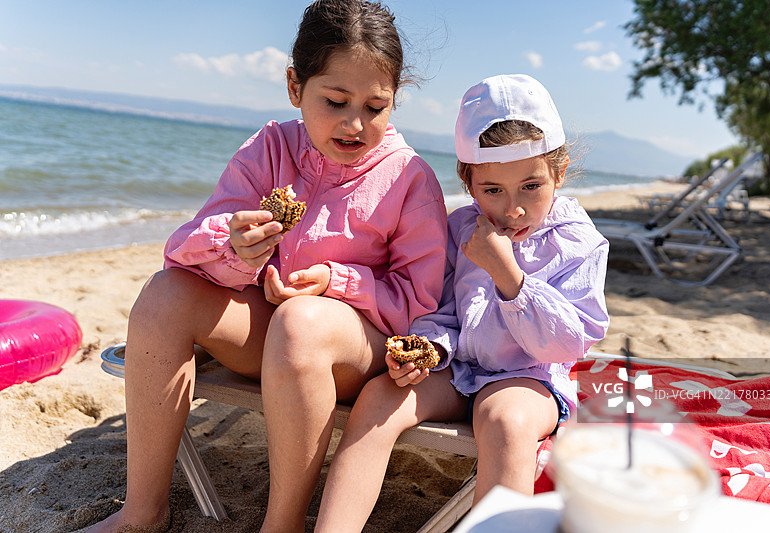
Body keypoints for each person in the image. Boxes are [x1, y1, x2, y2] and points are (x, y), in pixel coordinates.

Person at [87, 1, 447, 532]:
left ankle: (282, 525)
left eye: (376, 107)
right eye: (336, 101)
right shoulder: (271, 147)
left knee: (301, 322)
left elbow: (420, 304)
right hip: (267, 338)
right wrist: (235, 248)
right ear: (295, 87)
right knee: (165, 294)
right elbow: (184, 254)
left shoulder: (409, 178)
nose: (355, 123)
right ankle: (141, 514)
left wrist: (336, 283)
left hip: (357, 355)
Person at [314, 74, 610, 532]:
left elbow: (568, 343)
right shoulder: (459, 229)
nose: (513, 209)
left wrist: (508, 275)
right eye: (493, 190)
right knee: (379, 397)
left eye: (531, 186)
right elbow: (441, 310)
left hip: (528, 378)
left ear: (559, 172)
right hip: (458, 371)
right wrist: (429, 349)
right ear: (468, 182)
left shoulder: (579, 243)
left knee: (505, 421)